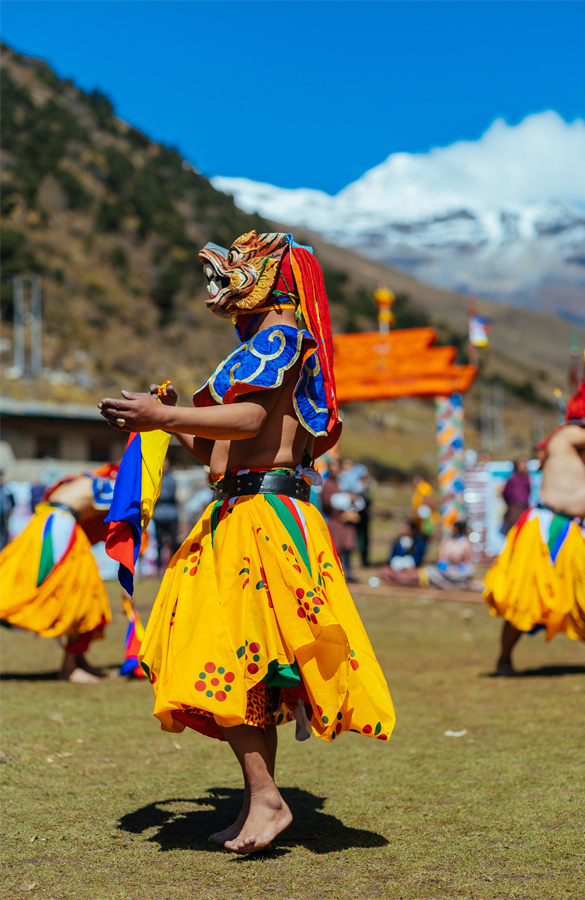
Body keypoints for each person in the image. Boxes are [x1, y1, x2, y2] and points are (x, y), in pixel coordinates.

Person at [98, 230, 395, 855]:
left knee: (236, 659)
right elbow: (215, 460)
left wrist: (165, 417)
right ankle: (261, 799)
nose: (222, 280)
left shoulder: (282, 339)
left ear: (269, 277)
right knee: (237, 665)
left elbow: (253, 422)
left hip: (264, 516)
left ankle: (266, 800)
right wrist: (174, 421)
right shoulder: (265, 346)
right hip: (238, 510)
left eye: (237, 267)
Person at [483, 351, 585, 676]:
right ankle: (504, 658)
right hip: (547, 530)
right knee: (525, 601)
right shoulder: (568, 435)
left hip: (576, 532)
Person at [0, 465, 118, 682]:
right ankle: (70, 668)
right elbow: (117, 509)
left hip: (51, 523)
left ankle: (78, 662)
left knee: (83, 591)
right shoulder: (106, 484)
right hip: (59, 525)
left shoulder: (81, 480)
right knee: (79, 593)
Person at [321, 457, 364, 582]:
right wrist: (345, 499)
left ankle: (348, 572)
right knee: (336, 547)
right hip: (335, 521)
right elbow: (328, 502)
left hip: (346, 521)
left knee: (348, 547)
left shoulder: (343, 482)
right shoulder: (327, 484)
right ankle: (335, 573)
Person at [152, 456, 180, 572]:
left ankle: (174, 565)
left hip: (171, 516)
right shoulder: (155, 479)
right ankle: (159, 567)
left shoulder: (171, 479)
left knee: (174, 542)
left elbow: (168, 494)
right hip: (158, 516)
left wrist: (158, 495)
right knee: (159, 544)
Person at [500, 456, 531, 535]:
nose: (524, 465)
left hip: (525, 508)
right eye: (522, 463)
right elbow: (505, 493)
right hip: (514, 509)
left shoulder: (527, 478)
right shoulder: (512, 479)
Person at [0, 469, 15, 551]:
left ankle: (3, 551)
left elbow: (12, 500)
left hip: (4, 514)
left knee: (4, 533)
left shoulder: (6, 489)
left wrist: (12, 508)